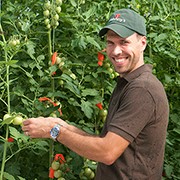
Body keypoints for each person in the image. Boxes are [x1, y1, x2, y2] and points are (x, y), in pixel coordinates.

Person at [22, 8, 169, 179]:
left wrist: (54, 131)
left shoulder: (142, 89)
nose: (115, 51)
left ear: (143, 43)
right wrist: (63, 126)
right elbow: (106, 142)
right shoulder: (129, 83)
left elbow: (107, 152)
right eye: (110, 43)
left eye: (124, 42)